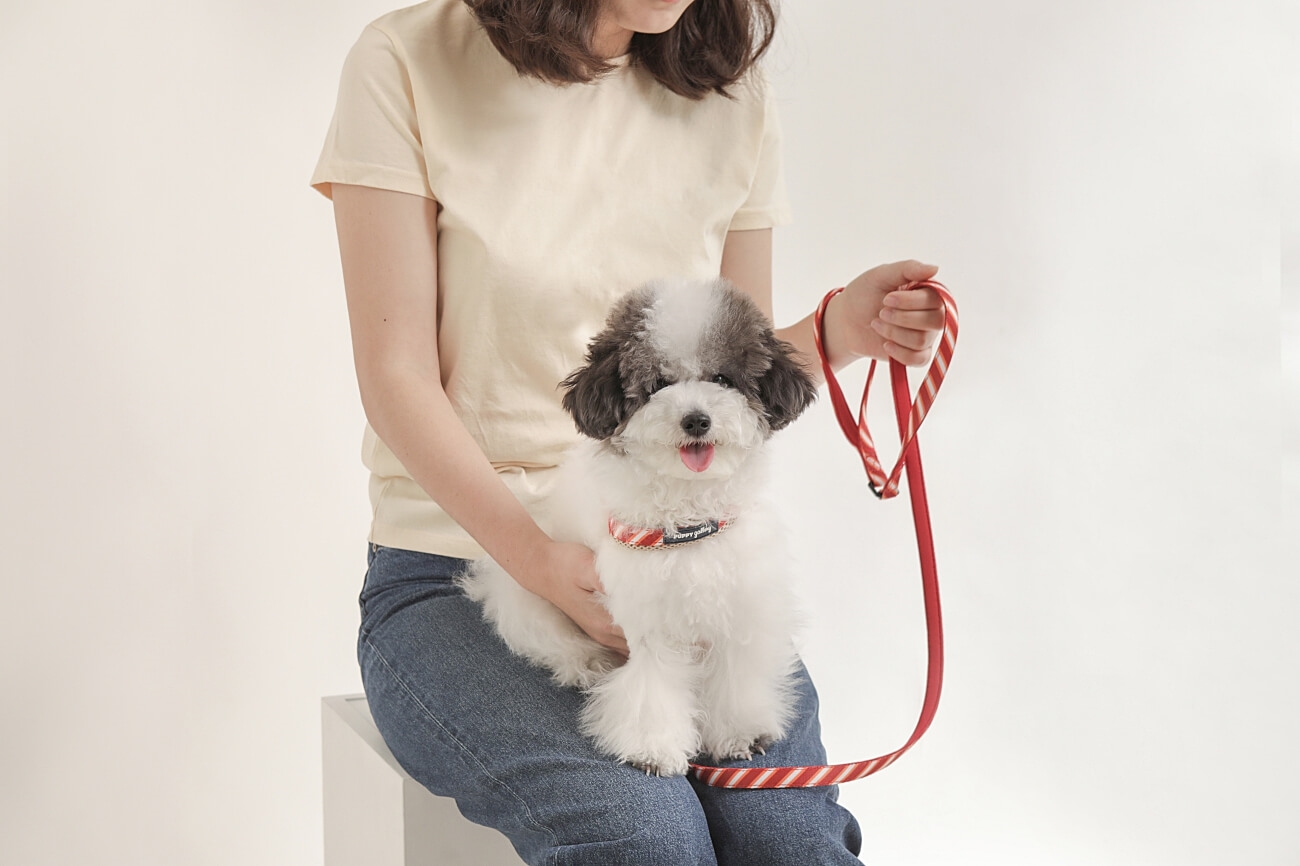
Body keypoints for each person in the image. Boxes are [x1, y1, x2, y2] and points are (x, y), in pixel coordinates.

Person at [312, 0, 947, 862]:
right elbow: (397, 379)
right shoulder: (407, 60)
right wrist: (542, 564)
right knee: (646, 839)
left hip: (686, 558)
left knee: (792, 842)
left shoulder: (729, 89)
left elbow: (729, 379)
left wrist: (842, 330)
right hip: (461, 567)